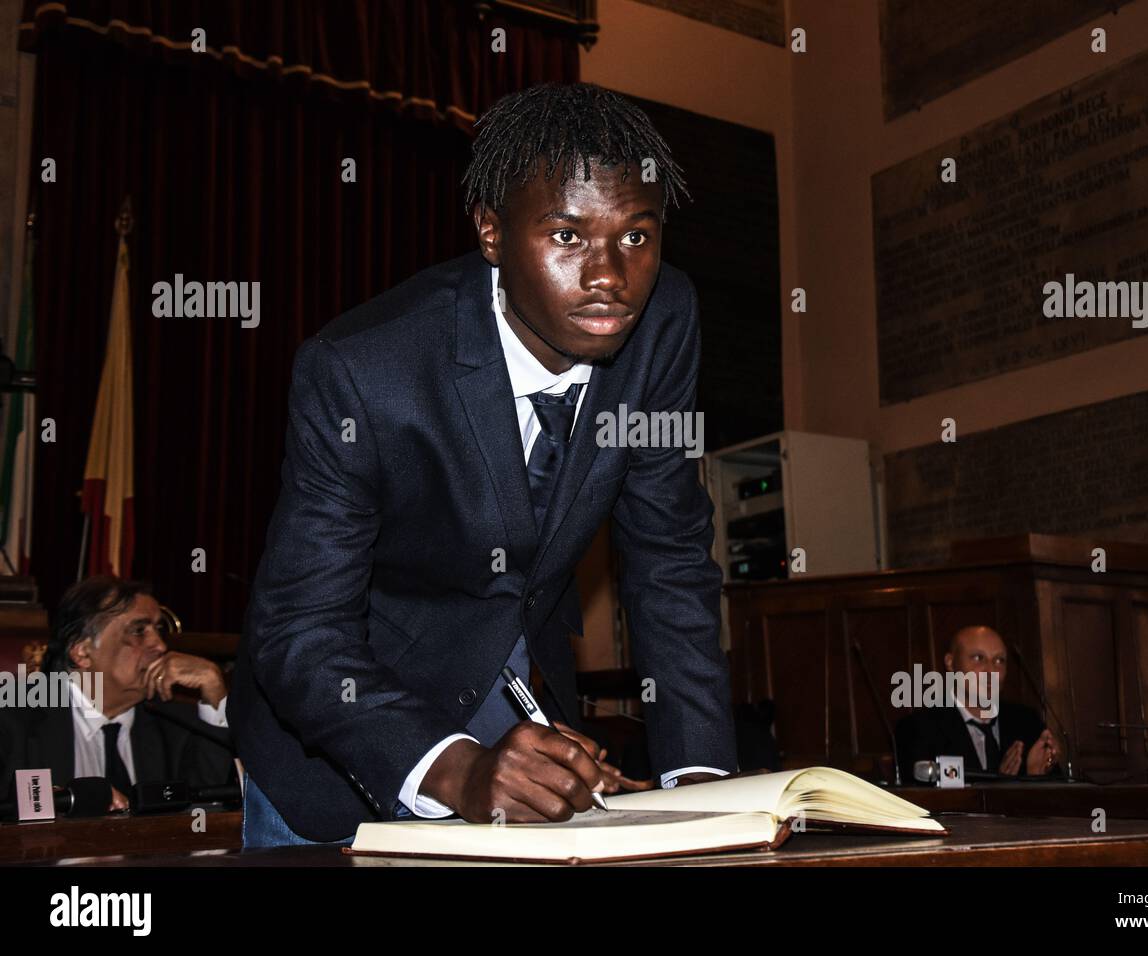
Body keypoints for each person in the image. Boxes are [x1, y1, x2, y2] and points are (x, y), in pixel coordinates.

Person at [230, 82, 739, 846]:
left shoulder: (665, 318)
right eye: (567, 236)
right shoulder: (362, 371)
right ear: (492, 233)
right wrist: (456, 769)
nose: (609, 276)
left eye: (636, 236)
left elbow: (668, 557)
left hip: (523, 720)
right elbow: (300, 630)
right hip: (344, 743)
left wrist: (700, 785)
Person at [0, 576, 235, 808]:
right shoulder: (14, 719)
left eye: (159, 629)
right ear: (82, 652)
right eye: (139, 630)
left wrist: (214, 689)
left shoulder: (174, 725)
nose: (160, 646)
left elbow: (204, 816)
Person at [896, 625, 1060, 781]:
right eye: (978, 658)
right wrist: (1001, 786)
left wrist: (1036, 778)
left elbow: (1060, 796)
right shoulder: (918, 729)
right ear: (950, 663)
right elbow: (924, 802)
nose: (990, 670)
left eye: (999, 660)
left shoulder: (1026, 721)